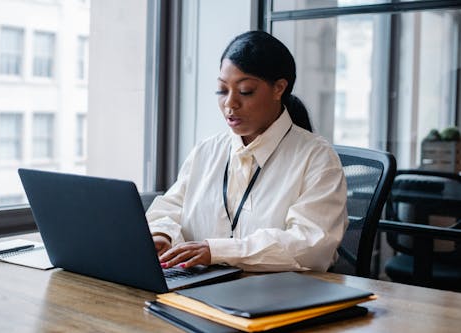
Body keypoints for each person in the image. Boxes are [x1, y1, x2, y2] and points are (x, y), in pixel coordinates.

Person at [146, 30, 347, 272]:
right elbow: (169, 208)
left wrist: (217, 251)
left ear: (279, 88)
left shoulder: (317, 158)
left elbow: (312, 245)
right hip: (199, 289)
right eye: (222, 90)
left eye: (245, 91)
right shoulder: (206, 152)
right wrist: (162, 235)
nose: (230, 103)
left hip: (278, 297)